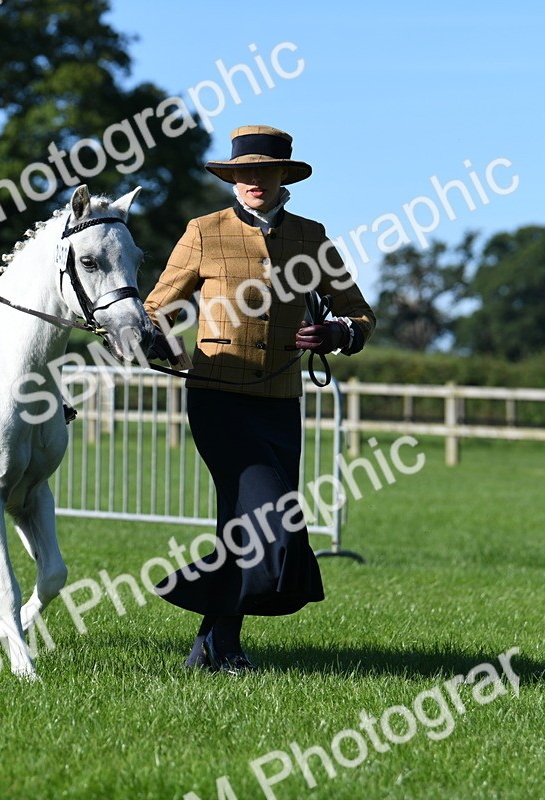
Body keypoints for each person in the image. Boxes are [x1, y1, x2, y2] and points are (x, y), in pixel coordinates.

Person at [143, 125, 376, 673]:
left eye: (265, 172)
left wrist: (338, 334)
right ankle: (203, 609)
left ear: (282, 177)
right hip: (217, 398)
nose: (255, 181)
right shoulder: (203, 232)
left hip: (280, 403)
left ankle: (217, 645)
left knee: (243, 524)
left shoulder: (311, 237)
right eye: (245, 172)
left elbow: (360, 314)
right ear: (232, 178)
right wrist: (166, 342)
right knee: (274, 520)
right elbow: (156, 306)